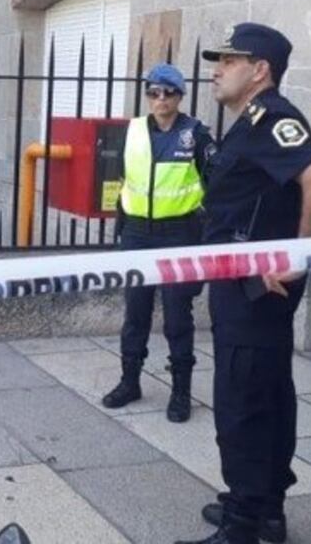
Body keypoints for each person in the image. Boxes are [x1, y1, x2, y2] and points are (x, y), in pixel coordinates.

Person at [175, 24, 311, 544]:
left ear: (260, 69)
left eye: (228, 60)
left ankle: (244, 524)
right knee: (268, 393)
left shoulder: (273, 118)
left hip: (255, 291)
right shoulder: (248, 122)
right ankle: (263, 507)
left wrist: (298, 256)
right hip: (246, 288)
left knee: (242, 400)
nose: (215, 69)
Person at [102, 63, 215, 423]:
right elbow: (118, 177)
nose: (160, 99)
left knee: (177, 317)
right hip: (136, 233)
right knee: (135, 313)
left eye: (167, 92)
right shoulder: (132, 130)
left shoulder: (196, 134)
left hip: (179, 234)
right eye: (153, 92)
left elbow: (218, 185)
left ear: (180, 96)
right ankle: (129, 381)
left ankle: (180, 392)